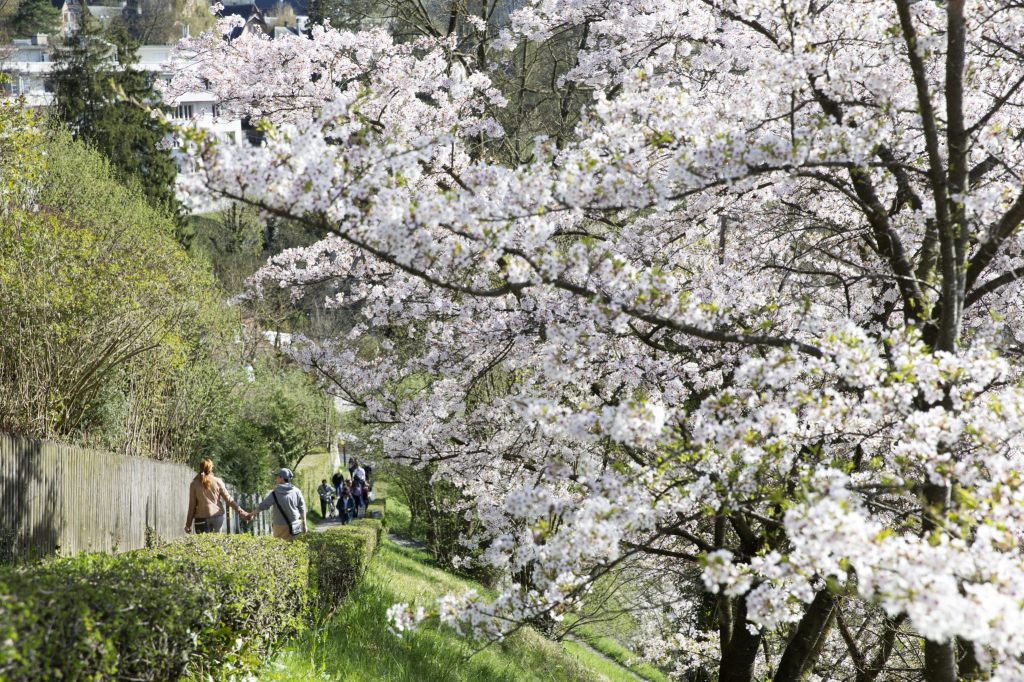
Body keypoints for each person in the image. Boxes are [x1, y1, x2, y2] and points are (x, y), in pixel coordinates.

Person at [185, 458, 250, 534]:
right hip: (217, 517)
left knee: (203, 544)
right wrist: (242, 513)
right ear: (211, 468)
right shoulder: (218, 481)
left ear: (200, 468)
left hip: (201, 519)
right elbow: (229, 500)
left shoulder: (194, 484)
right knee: (216, 544)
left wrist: (188, 525)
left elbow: (192, 506)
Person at [247, 468, 307, 540]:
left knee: (281, 548)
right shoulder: (297, 491)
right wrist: (304, 525)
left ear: (281, 478)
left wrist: (251, 514)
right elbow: (302, 508)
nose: (276, 478)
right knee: (295, 547)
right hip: (295, 524)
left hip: (279, 526)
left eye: (277, 476)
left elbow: (263, 506)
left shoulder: (275, 493)